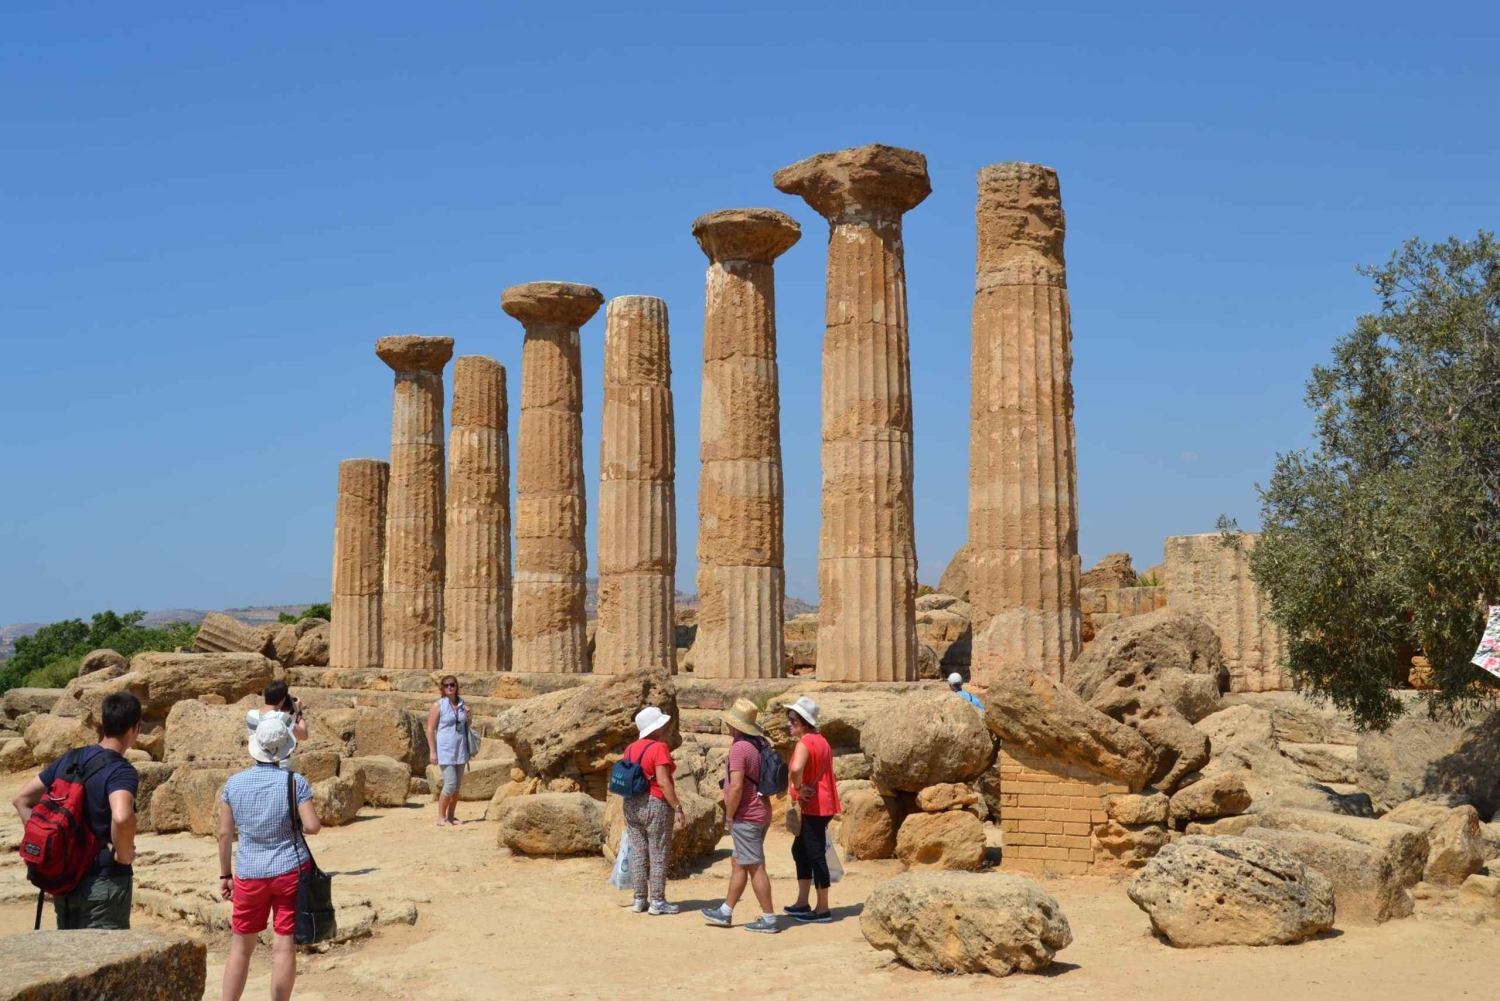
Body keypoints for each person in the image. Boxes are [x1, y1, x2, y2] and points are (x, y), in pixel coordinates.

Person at [12, 691, 142, 929]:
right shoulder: (121, 771)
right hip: (103, 884)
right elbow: (122, 817)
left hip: (64, 879)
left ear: (103, 723)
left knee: (72, 959)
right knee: (107, 961)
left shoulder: (71, 758)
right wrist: (122, 856)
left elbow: (21, 799)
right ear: (136, 728)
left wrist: (52, 844)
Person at [218, 714, 322, 1001]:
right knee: (284, 947)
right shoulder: (295, 782)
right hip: (290, 869)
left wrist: (226, 875)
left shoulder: (234, 784)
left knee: (240, 948)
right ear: (285, 749)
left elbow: (225, 835)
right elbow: (312, 826)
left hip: (250, 872)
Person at [700, 698, 778, 933]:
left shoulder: (739, 748)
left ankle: (769, 919)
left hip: (747, 815)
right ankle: (725, 911)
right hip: (761, 810)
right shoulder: (760, 743)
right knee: (739, 863)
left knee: (755, 867)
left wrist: (730, 816)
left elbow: (735, 787)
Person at [621, 705, 685, 915]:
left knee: (638, 852)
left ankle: (639, 899)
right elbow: (664, 782)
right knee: (658, 852)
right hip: (655, 802)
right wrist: (677, 807)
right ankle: (657, 900)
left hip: (631, 804)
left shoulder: (630, 748)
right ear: (655, 728)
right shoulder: (659, 748)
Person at [783, 695, 840, 924]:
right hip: (823, 802)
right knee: (801, 851)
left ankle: (823, 909)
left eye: (793, 720)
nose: (789, 723)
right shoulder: (822, 740)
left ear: (804, 722)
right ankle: (802, 902)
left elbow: (796, 767)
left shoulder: (805, 742)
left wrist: (797, 787)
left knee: (816, 855)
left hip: (813, 805)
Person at [425, 675, 471, 827]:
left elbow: (466, 725)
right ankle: (440, 817)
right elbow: (430, 729)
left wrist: (468, 715)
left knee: (457, 787)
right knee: (450, 783)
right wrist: (433, 751)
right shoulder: (438, 705)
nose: (449, 687)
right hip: (445, 749)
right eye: (446, 685)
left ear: (456, 686)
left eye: (452, 685)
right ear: (442, 688)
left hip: (460, 749)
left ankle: (451, 816)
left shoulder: (461, 703)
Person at [245, 680, 309, 747]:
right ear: (283, 699)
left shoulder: (250, 715)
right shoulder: (281, 718)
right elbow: (303, 736)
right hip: (279, 756)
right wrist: (298, 711)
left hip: (259, 755)